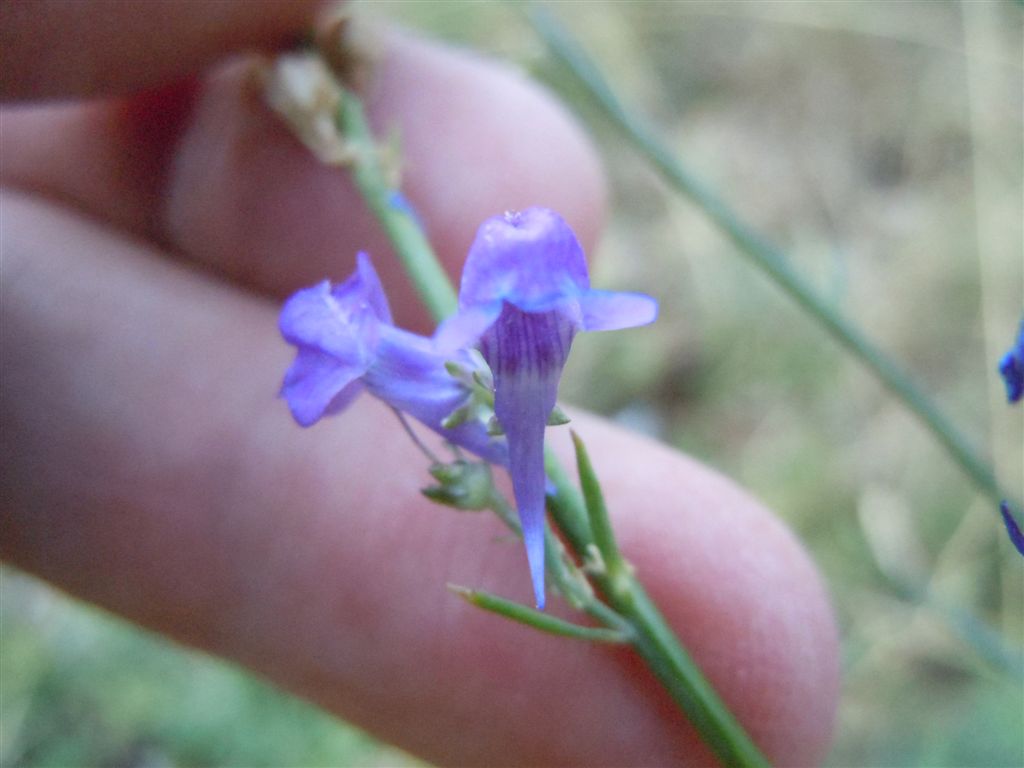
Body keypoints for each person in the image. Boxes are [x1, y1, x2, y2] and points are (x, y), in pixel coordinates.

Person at [0, 2, 838, 764]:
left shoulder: (484, 333)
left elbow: (549, 324)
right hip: (457, 375)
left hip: (483, 379)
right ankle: (532, 521)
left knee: (538, 484)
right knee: (522, 474)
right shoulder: (452, 344)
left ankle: (536, 526)